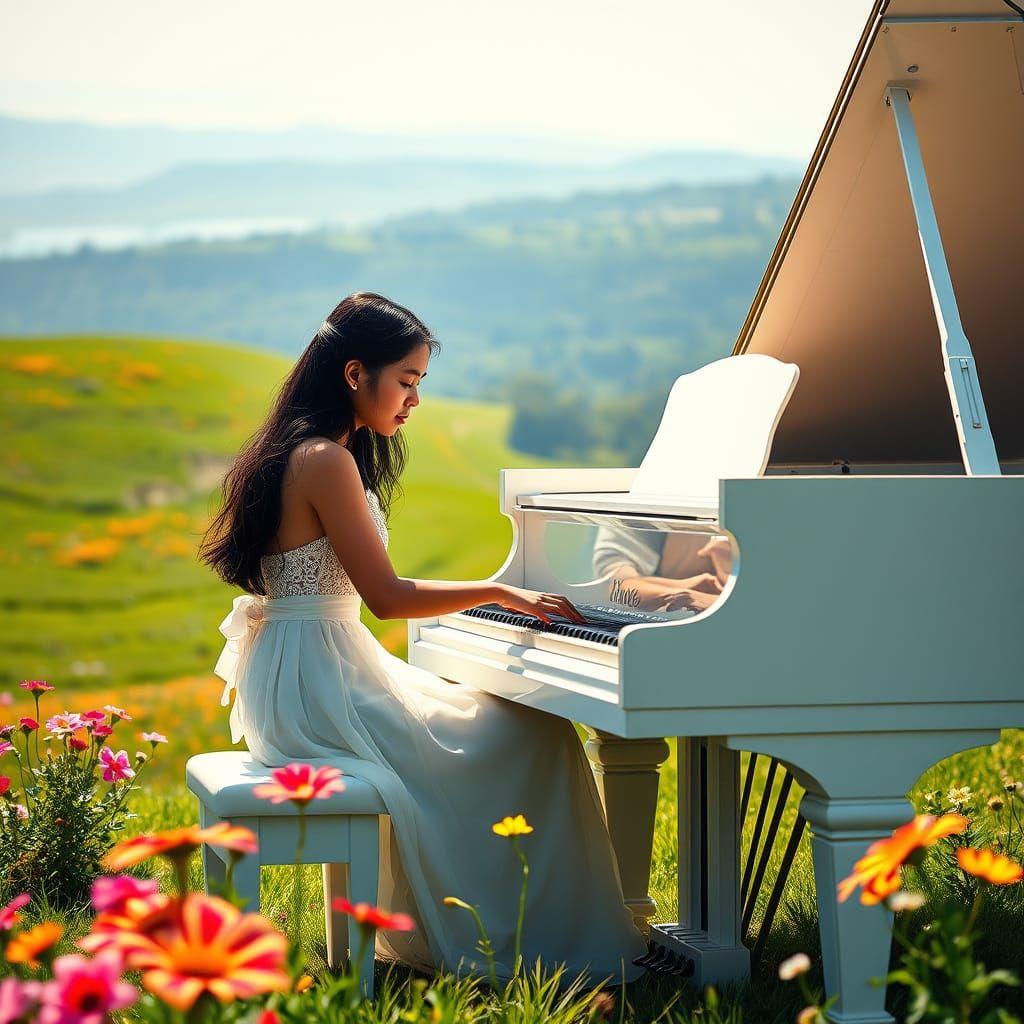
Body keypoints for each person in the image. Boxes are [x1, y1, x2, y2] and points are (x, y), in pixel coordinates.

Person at [200, 292, 647, 984]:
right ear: (355, 373)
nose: (413, 401)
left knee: (504, 725)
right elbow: (387, 599)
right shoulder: (324, 459)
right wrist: (503, 593)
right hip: (320, 687)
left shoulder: (311, 450)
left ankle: (527, 928)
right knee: (534, 735)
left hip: (313, 672)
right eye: (406, 381)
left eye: (418, 385)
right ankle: (528, 941)